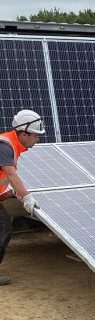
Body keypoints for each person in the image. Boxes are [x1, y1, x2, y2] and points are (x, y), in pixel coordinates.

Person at [0, 110, 43, 285]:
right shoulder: (4, 145)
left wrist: (7, 193)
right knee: (2, 228)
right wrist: (26, 196)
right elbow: (10, 174)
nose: (37, 139)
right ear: (23, 133)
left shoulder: (10, 146)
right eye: (35, 135)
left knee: (3, 227)